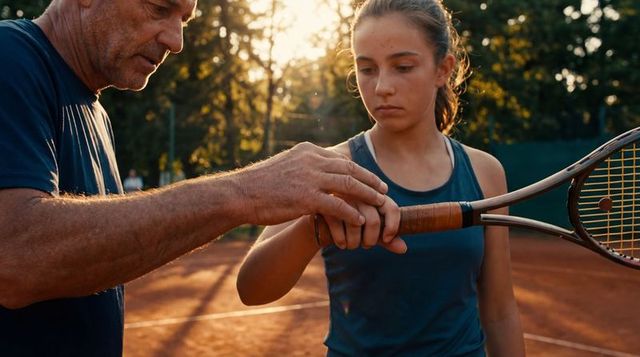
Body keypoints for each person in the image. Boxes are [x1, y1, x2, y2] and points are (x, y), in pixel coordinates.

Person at [0, 0, 401, 355]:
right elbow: (14, 259)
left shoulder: (96, 113)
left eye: (185, 20)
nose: (176, 41)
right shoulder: (10, 56)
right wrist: (247, 192)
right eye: (159, 8)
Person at [236, 0, 525, 355]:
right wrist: (314, 228)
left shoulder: (486, 172)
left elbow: (499, 312)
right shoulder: (329, 167)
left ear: (443, 69)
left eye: (403, 67)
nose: (382, 86)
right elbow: (251, 289)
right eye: (367, 69)